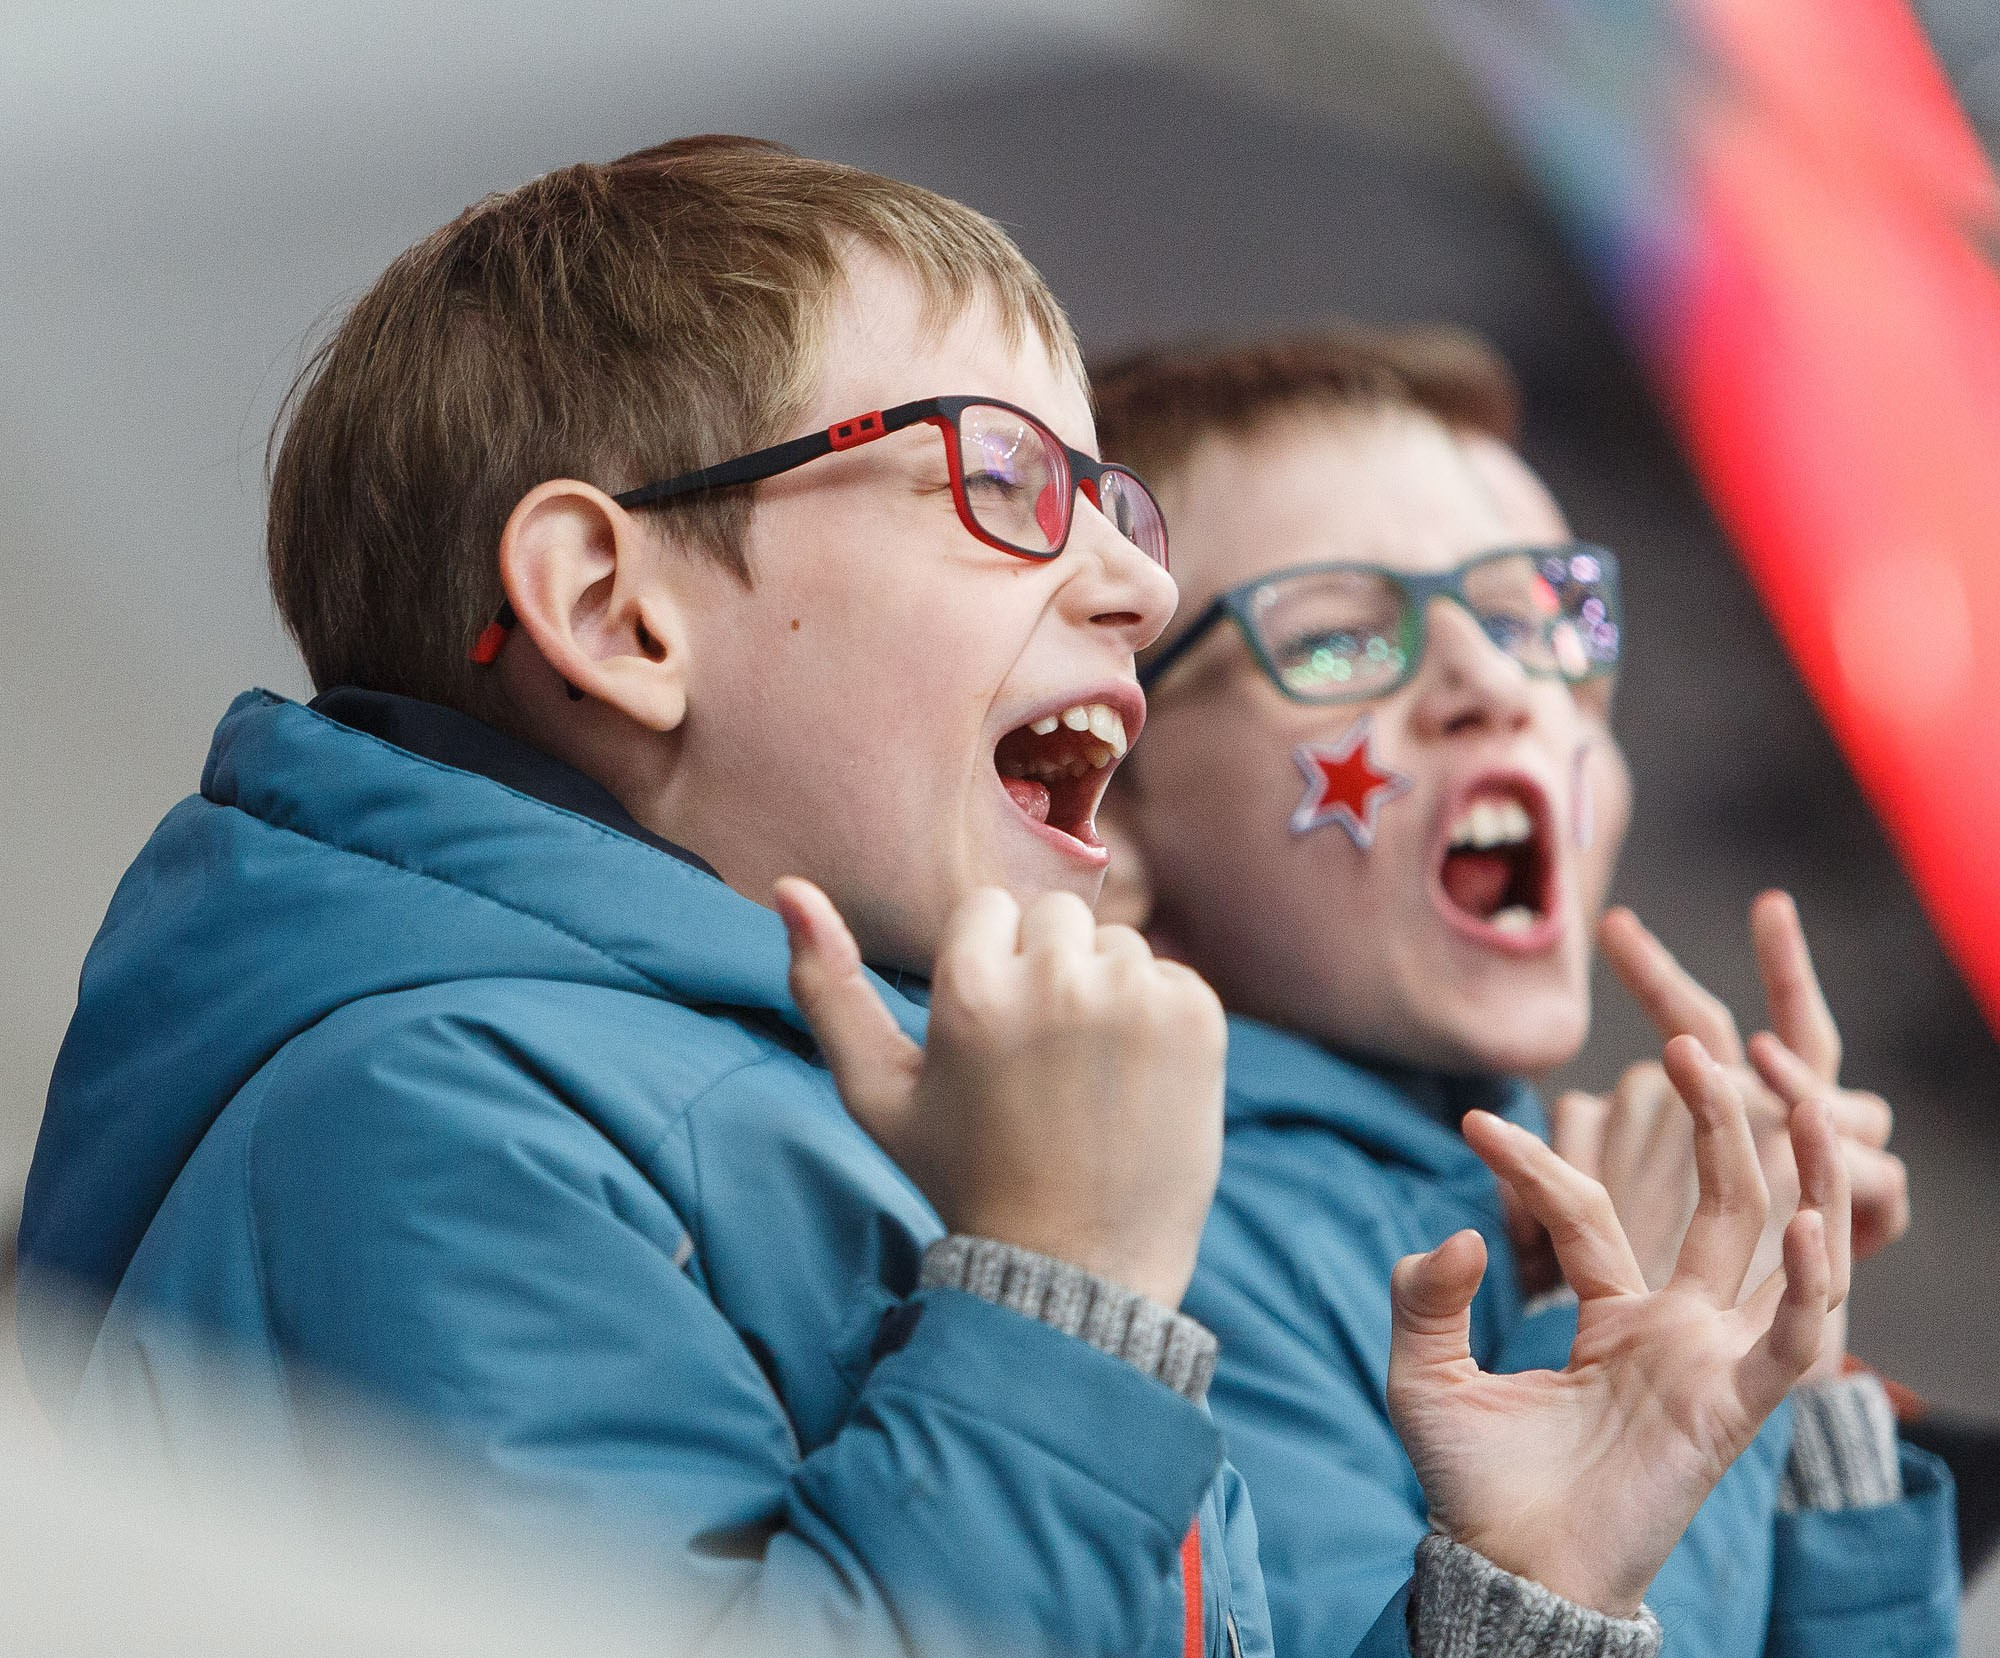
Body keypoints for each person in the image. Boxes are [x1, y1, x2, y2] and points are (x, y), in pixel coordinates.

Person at [21, 144, 1839, 1658]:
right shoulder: (414, 1121)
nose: (1133, 579)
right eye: (1008, 480)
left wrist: (1528, 1592)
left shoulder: (886, 1129)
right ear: (613, 609)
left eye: (1108, 499)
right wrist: (1059, 1290)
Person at [1093, 327, 1961, 1657]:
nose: (1496, 683)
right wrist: (1650, 1343)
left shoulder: (1516, 1211)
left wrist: (1796, 1351)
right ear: (1113, 806)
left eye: (1533, 618)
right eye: (1333, 642)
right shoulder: (1169, 1247)